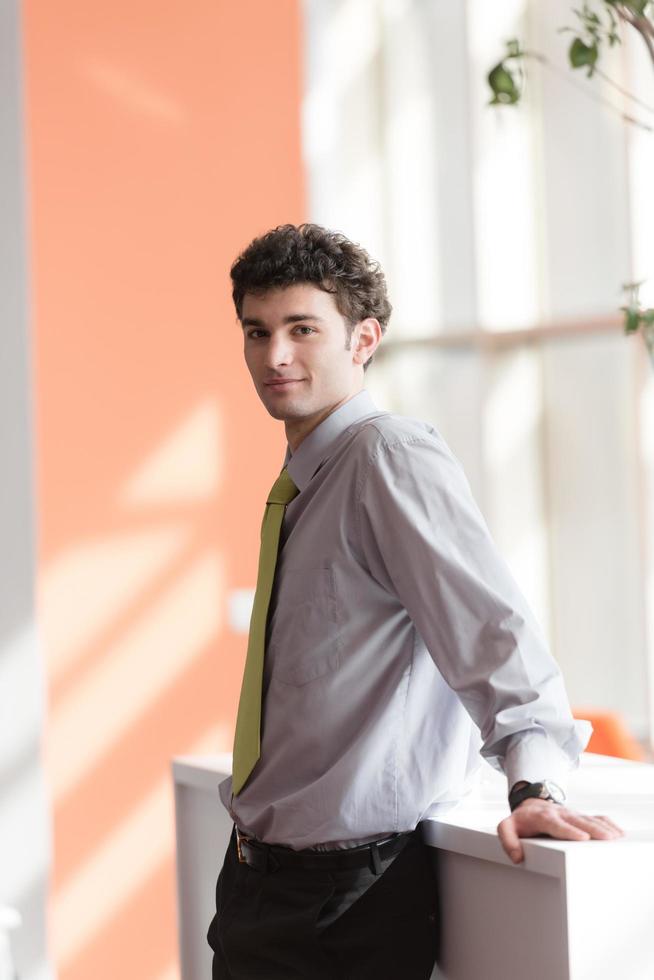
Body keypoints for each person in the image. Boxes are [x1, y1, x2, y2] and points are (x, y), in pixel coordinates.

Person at [207, 223, 623, 979]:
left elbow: (494, 631)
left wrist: (533, 783)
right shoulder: (307, 482)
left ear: (363, 338)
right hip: (256, 884)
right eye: (256, 331)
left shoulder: (387, 458)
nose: (275, 356)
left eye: (303, 329)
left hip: (340, 904)